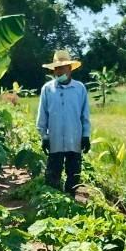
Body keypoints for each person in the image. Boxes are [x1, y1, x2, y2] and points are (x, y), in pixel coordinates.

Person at [36, 49, 90, 195]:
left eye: (62, 67)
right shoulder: (47, 89)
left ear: (70, 68)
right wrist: (44, 137)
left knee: (74, 177)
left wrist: (86, 136)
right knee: (52, 177)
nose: (59, 71)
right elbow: (42, 116)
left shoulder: (79, 89)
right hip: (55, 141)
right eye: (56, 68)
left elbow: (85, 115)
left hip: (75, 140)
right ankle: (54, 203)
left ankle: (70, 202)